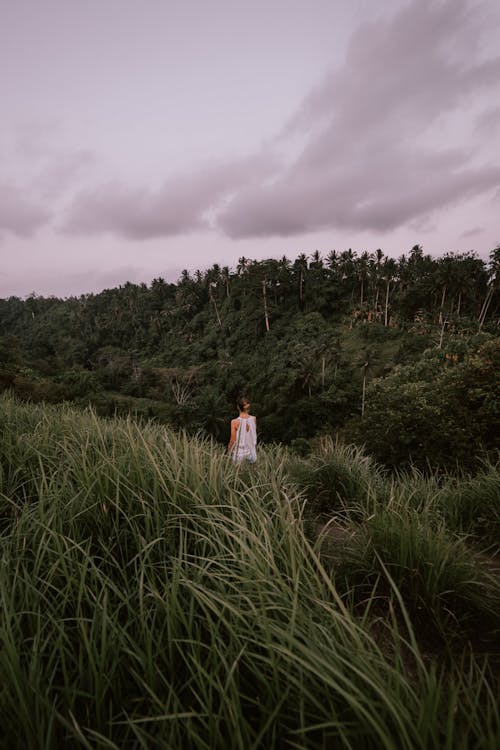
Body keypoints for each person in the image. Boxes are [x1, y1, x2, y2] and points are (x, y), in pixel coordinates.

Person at [228, 395, 257, 464]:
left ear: (238, 407)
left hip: (239, 454)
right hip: (252, 453)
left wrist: (229, 452)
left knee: (238, 474)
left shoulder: (234, 422)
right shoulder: (254, 419)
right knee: (251, 474)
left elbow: (232, 440)